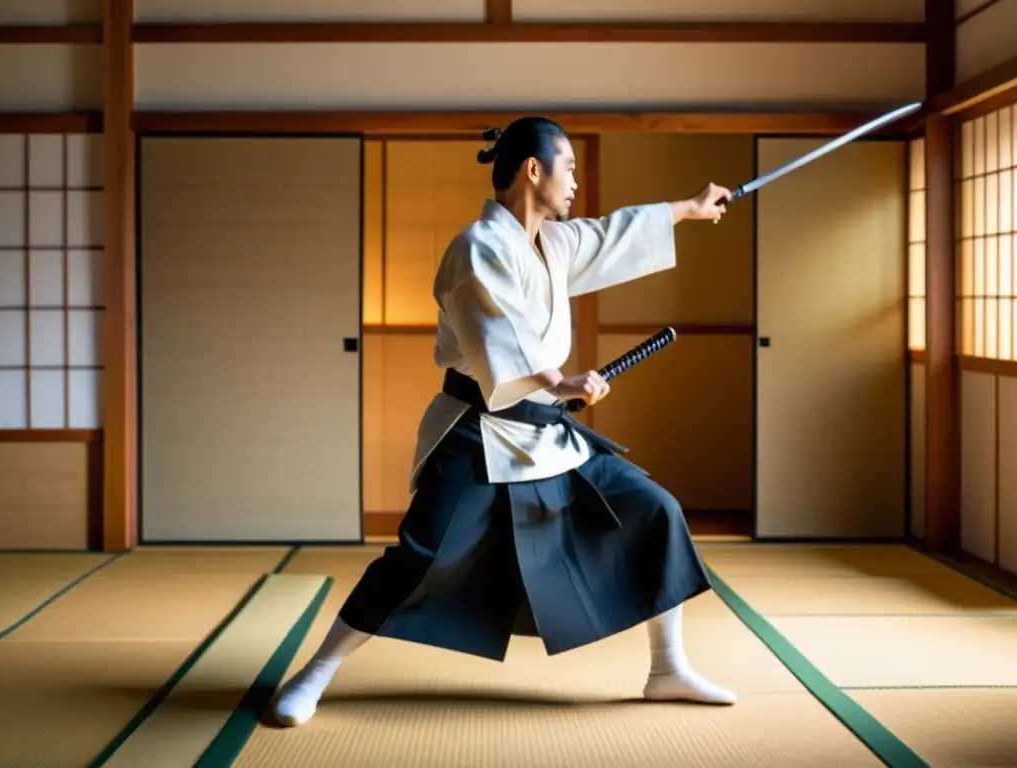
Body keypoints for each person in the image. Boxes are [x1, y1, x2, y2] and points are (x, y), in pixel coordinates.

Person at [272, 117, 736, 727]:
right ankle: (316, 673)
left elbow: (609, 235)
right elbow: (500, 332)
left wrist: (689, 208)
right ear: (533, 169)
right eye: (568, 165)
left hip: (546, 431)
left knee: (655, 510)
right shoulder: (477, 247)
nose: (576, 179)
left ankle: (667, 668)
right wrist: (560, 381)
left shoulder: (554, 242)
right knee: (418, 555)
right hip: (478, 426)